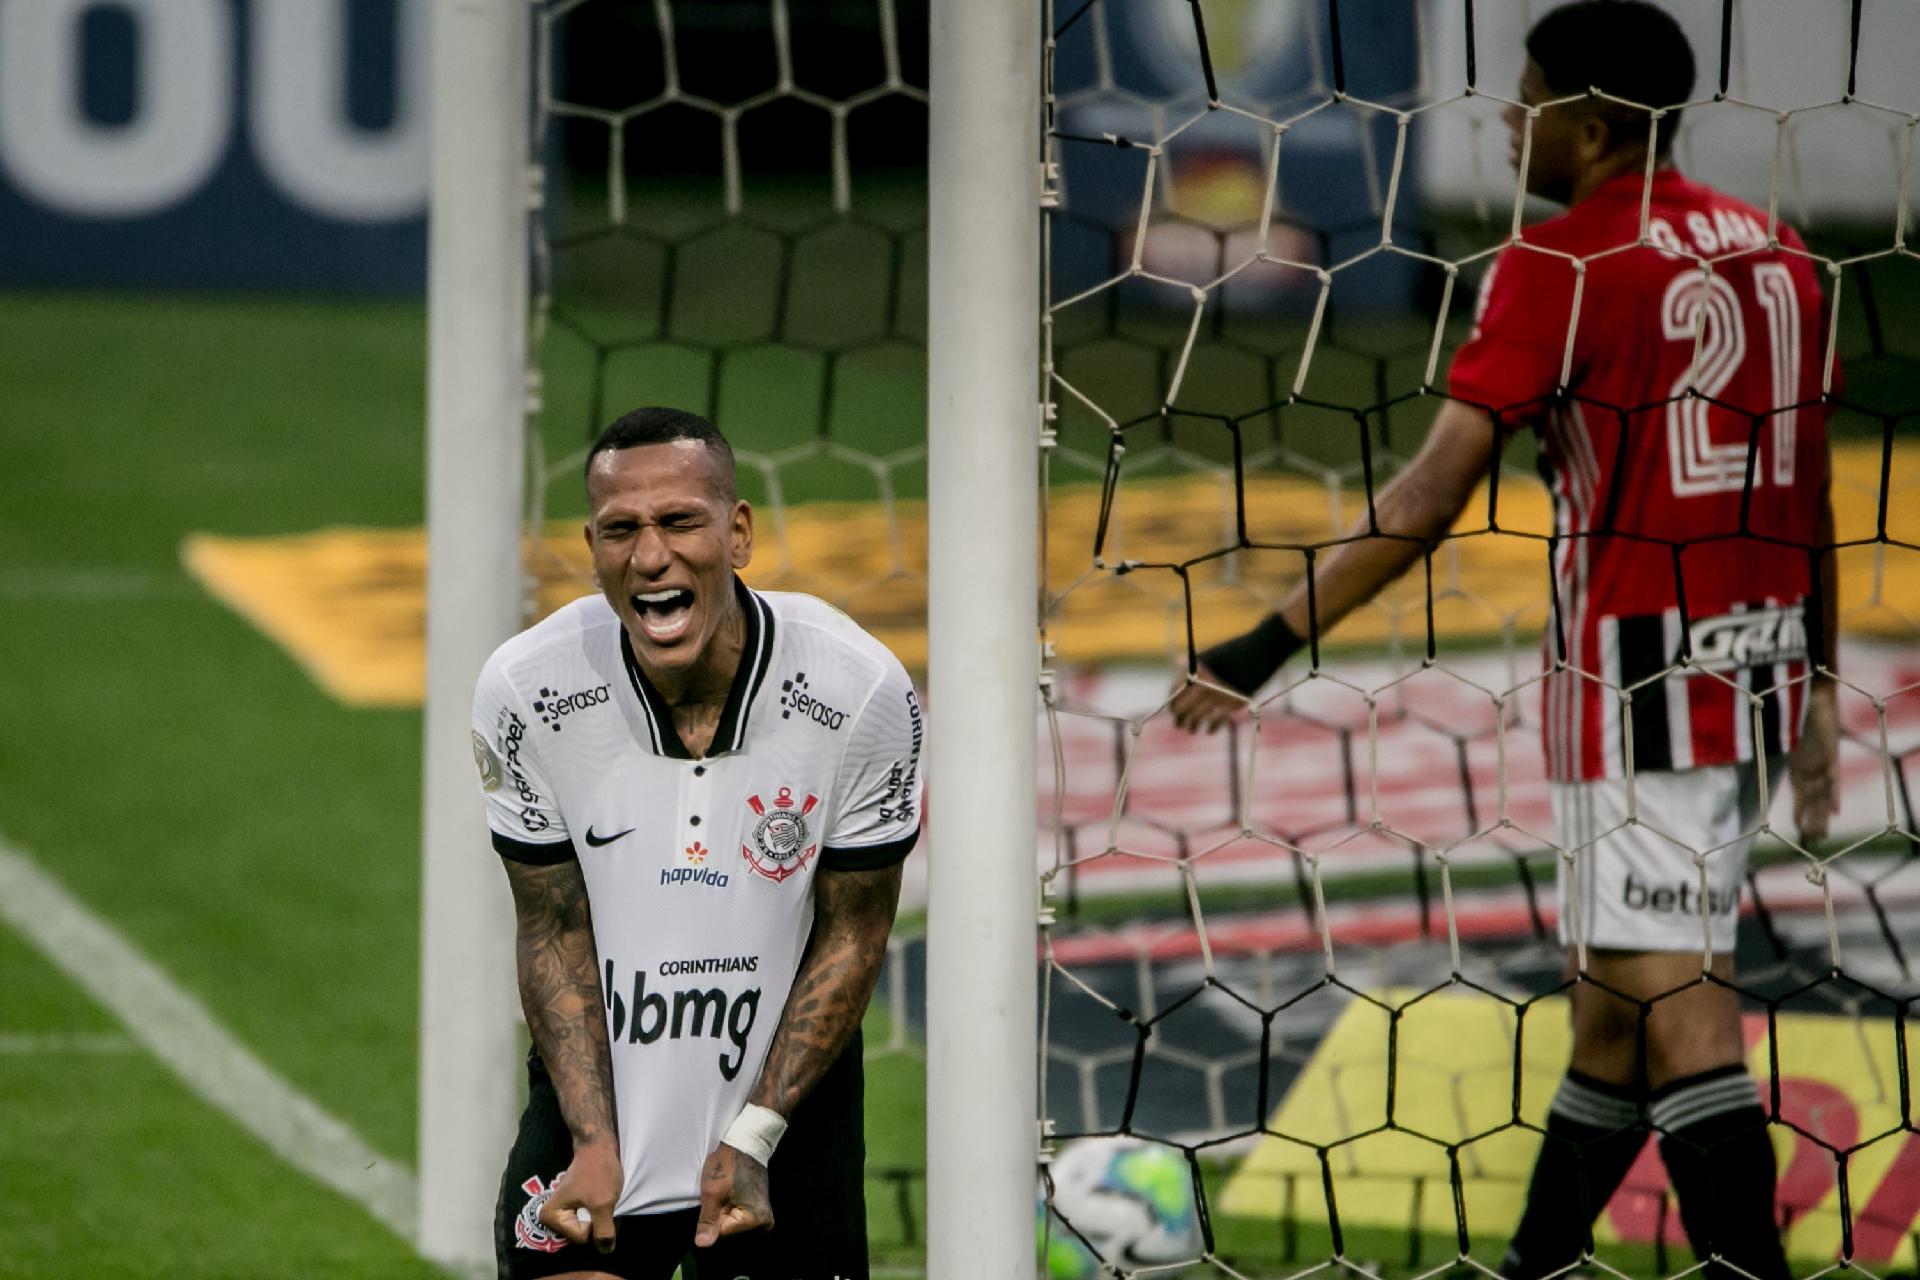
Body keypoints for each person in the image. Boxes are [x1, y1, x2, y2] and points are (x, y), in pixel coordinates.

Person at [1170, 5, 1839, 1277]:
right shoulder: (1783, 251)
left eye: (1526, 99)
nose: (1506, 117)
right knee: (1610, 1016)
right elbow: (1807, 491)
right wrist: (1815, 682)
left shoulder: (1561, 261)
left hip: (1643, 682)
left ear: (1589, 128)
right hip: (1755, 665)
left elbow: (1427, 501)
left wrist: (1259, 644)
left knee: (1684, 1020)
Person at [470, 406, 923, 1280]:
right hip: (598, 1092)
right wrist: (594, 1139)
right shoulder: (527, 690)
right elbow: (552, 926)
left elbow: (855, 930)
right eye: (621, 530)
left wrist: (755, 1134)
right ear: (592, 545)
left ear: (739, 531)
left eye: (679, 521)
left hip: (788, 1111)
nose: (650, 557)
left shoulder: (857, 689)